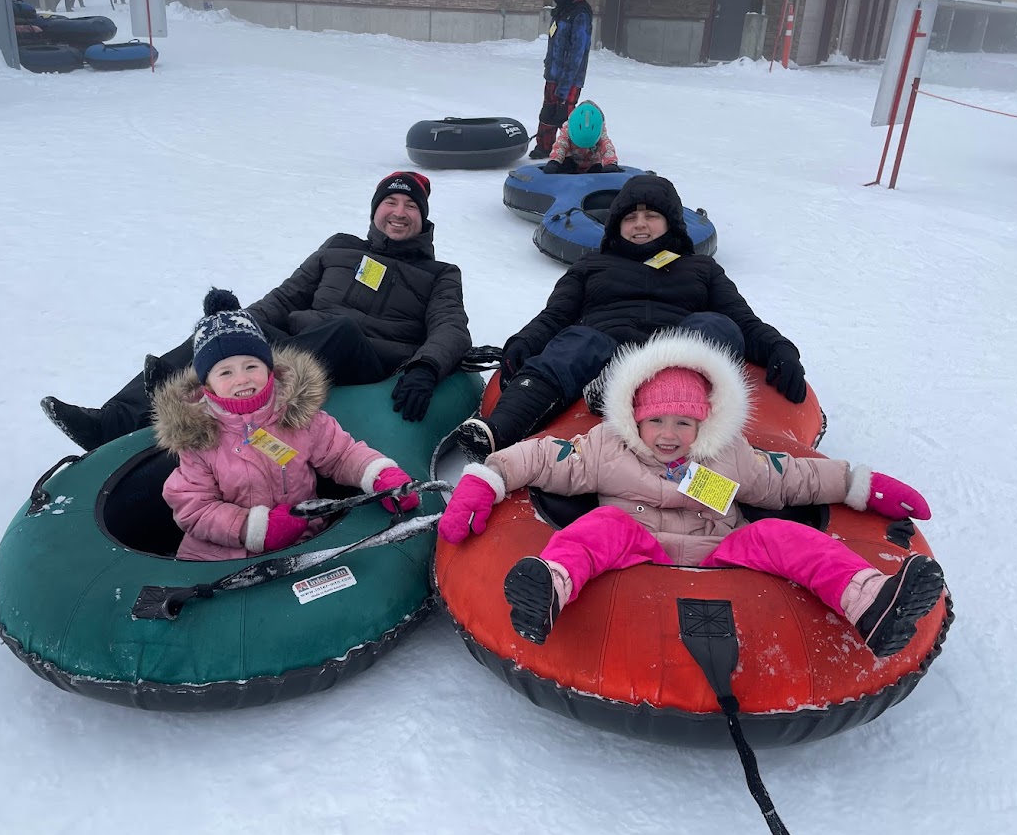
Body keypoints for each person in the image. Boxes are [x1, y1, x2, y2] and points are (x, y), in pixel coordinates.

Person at [439, 331, 945, 657]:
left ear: (704, 421)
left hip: (725, 549)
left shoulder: (729, 454)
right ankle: (548, 589)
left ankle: (872, 603)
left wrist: (862, 484)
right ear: (635, 416)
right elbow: (541, 458)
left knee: (781, 534)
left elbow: (792, 478)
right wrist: (488, 478)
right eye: (656, 420)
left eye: (683, 422)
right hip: (637, 544)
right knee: (599, 526)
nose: (667, 434)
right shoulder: (605, 447)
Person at [42, 172, 471, 450]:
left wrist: (425, 367)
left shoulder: (439, 274)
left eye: (411, 207)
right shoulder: (340, 247)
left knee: (341, 331)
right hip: (298, 346)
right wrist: (233, 325)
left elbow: (451, 327)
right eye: (390, 204)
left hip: (365, 363)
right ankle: (112, 421)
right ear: (375, 209)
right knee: (223, 333)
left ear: (423, 218)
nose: (399, 213)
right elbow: (285, 297)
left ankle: (222, 390)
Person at [455, 174, 807, 462]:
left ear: (670, 223)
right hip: (605, 346)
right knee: (578, 340)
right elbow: (555, 316)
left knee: (717, 326)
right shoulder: (591, 266)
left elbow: (742, 319)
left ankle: (629, 387)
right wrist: (524, 343)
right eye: (629, 217)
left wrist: (779, 348)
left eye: (651, 216)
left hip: (676, 354)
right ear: (616, 225)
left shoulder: (701, 268)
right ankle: (499, 432)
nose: (640, 224)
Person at [153, 289, 421, 561]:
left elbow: (341, 455)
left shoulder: (296, 415)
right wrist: (255, 529)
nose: (242, 379)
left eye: (251, 366)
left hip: (301, 539)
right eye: (225, 372)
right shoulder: (198, 437)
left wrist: (379, 476)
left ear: (269, 367)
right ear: (206, 383)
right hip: (220, 557)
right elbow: (194, 507)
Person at [529, 0, 593, 160]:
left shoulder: (580, 14)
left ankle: (573, 152)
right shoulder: (561, 11)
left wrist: (564, 89)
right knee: (548, 111)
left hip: (569, 79)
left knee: (564, 115)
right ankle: (544, 146)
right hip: (554, 75)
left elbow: (577, 54)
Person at [542, 101, 621, 174]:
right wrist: (554, 161)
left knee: (598, 169)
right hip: (571, 161)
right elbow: (560, 146)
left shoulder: (600, 132)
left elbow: (607, 148)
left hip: (592, 163)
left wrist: (610, 163)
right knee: (565, 166)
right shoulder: (567, 130)